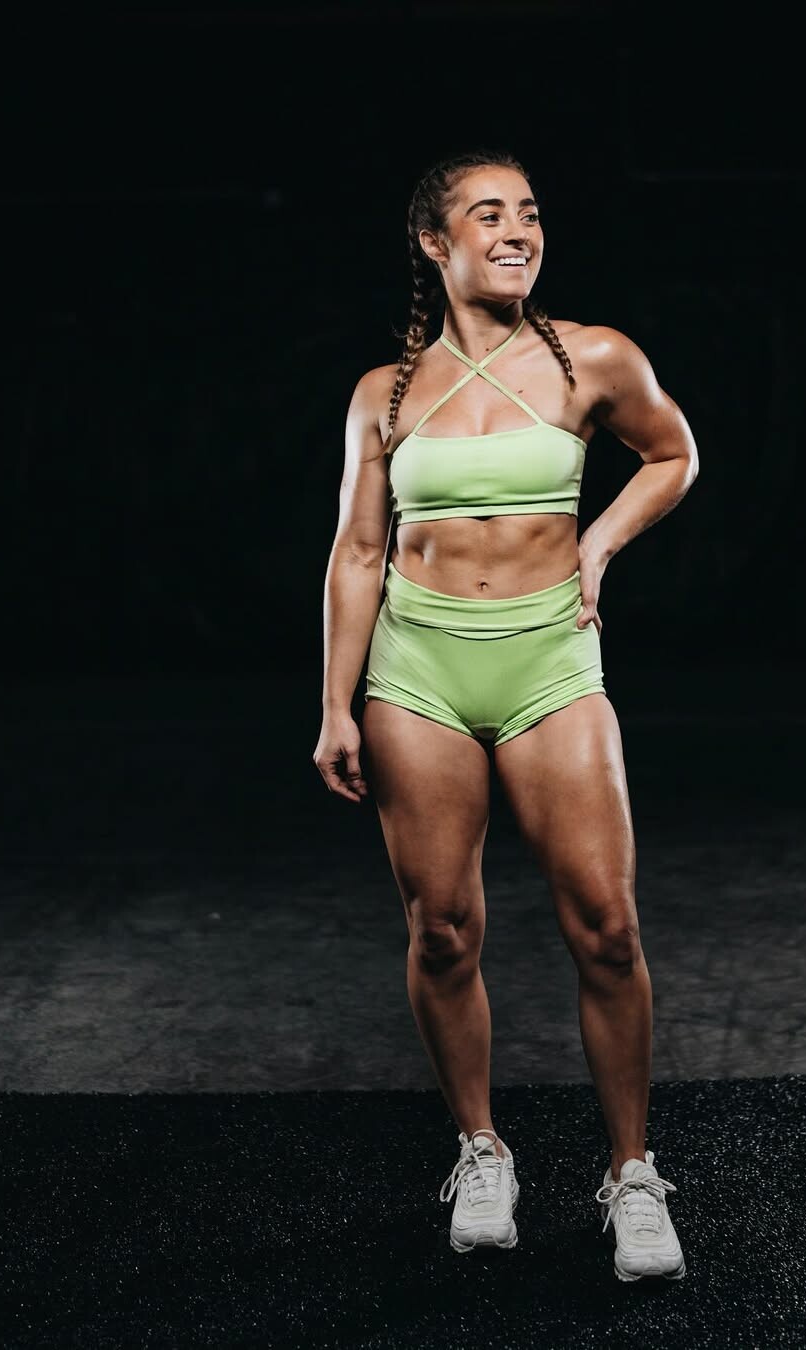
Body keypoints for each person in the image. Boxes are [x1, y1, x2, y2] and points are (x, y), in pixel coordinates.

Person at [313, 148, 699, 1283]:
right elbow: (360, 552)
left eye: (528, 212)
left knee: (608, 927)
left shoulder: (594, 358)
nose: (518, 229)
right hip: (419, 670)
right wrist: (335, 704)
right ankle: (482, 1151)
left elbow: (672, 454)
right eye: (489, 215)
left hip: (548, 662)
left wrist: (599, 541)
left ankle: (633, 1174)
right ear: (436, 244)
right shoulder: (385, 394)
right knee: (441, 930)